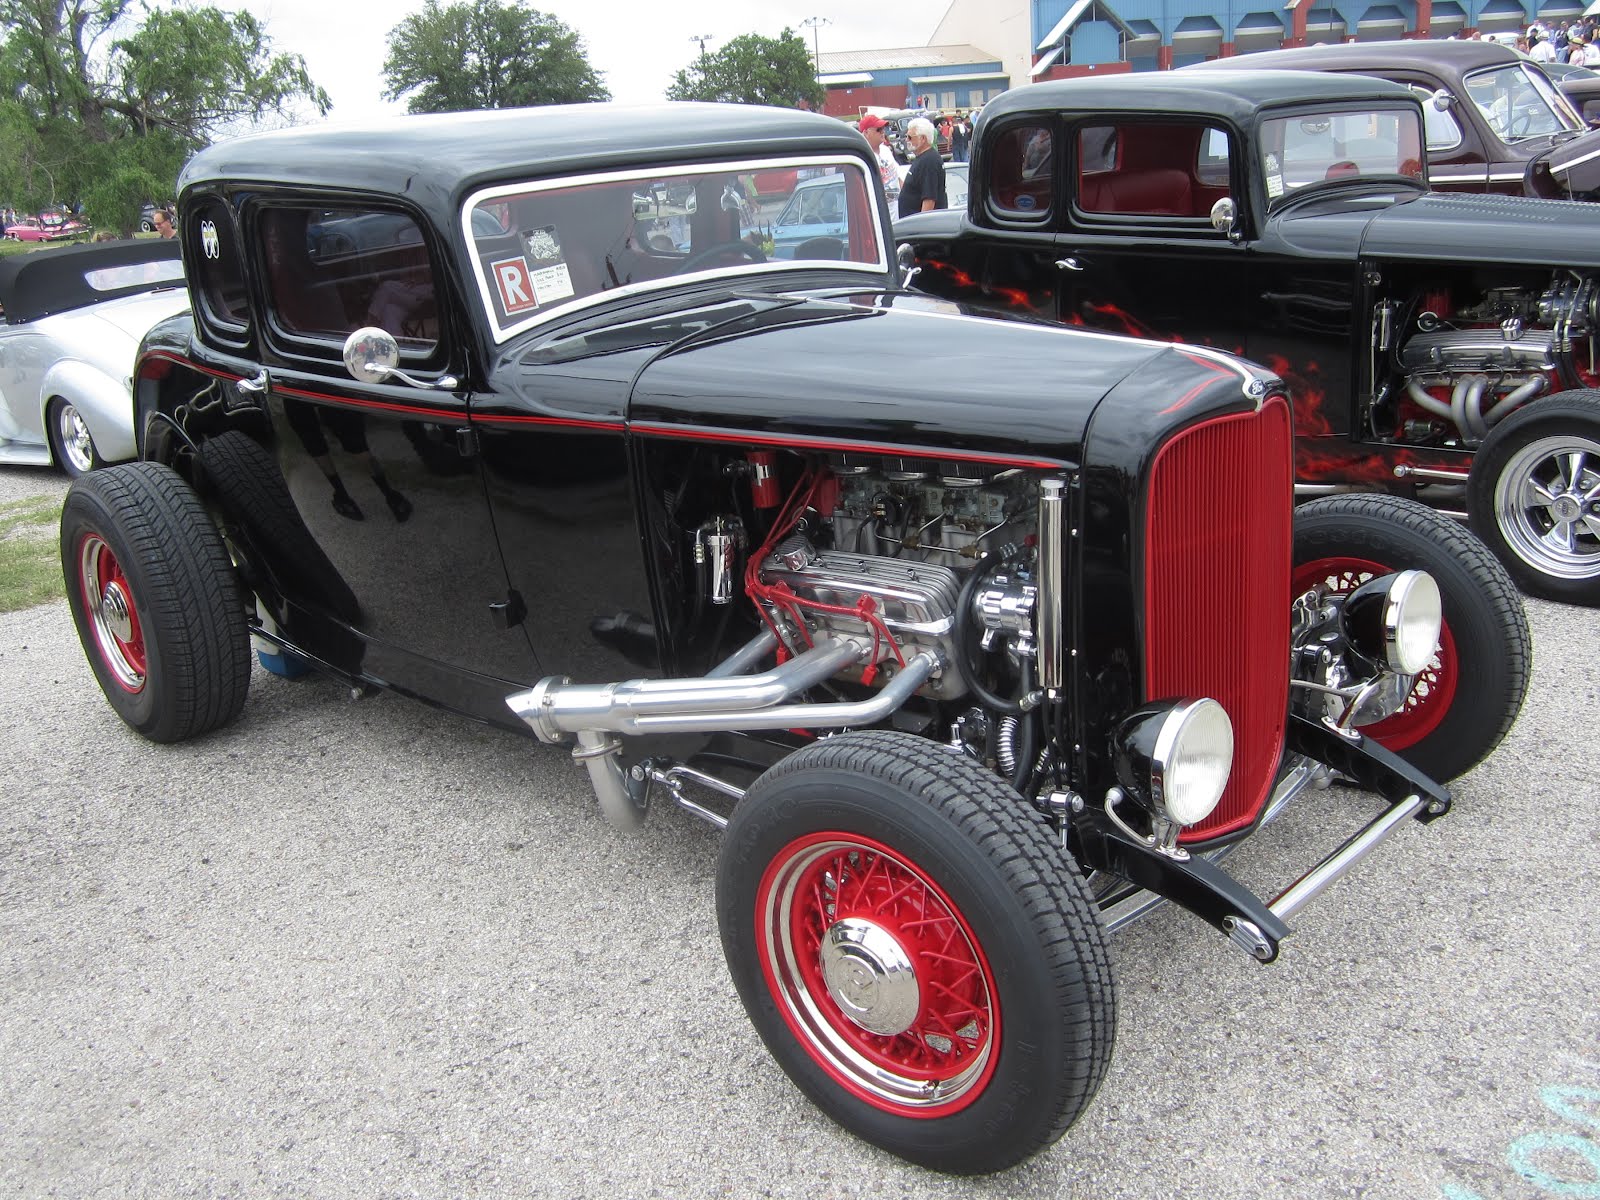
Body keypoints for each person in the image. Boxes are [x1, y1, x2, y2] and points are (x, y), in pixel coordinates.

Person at [897, 116, 946, 218]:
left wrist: (920, 227)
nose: (906, 140)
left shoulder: (929, 161)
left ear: (922, 138)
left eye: (910, 137)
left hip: (920, 227)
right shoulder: (923, 158)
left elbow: (929, 199)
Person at [857, 113, 901, 206]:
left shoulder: (886, 150)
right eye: (878, 129)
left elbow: (899, 177)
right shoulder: (862, 156)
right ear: (866, 133)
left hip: (896, 213)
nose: (882, 132)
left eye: (883, 129)